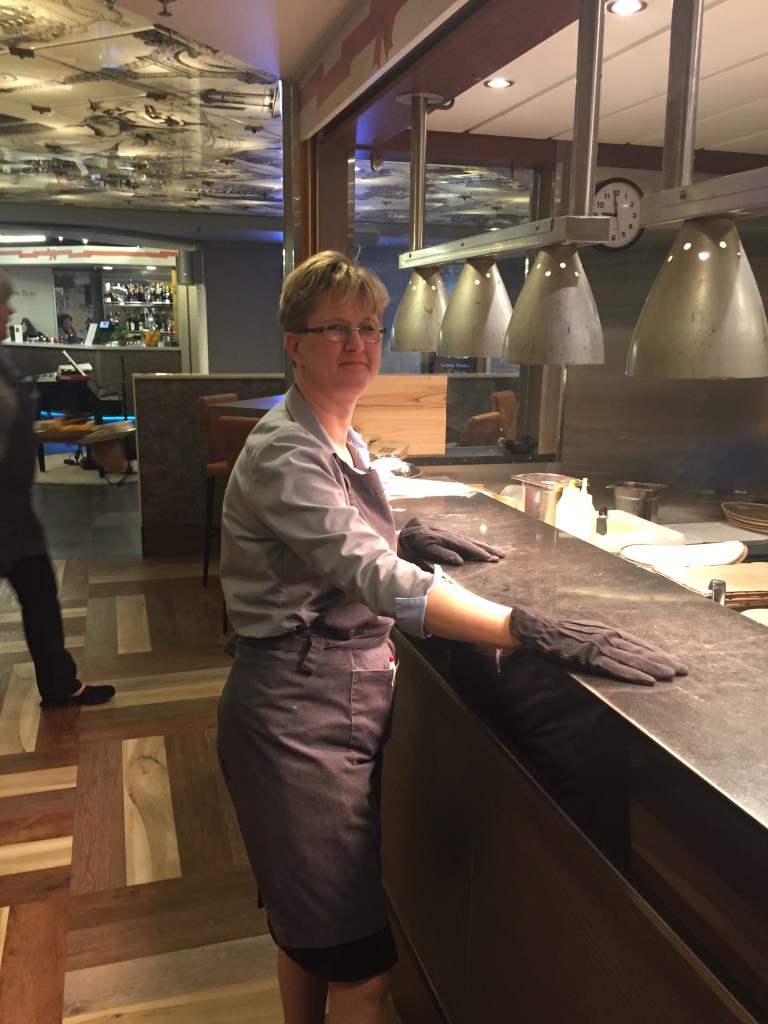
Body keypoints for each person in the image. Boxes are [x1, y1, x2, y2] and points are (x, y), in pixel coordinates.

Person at [217, 251, 686, 1024]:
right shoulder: (284, 451)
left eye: (369, 327)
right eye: (335, 329)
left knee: (311, 927)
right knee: (361, 967)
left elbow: (341, 546)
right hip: (296, 720)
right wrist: (519, 627)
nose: (357, 343)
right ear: (294, 342)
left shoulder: (337, 435)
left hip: (331, 704)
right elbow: (374, 579)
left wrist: (402, 532)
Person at [0, 270, 115, 709]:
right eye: (2, 302)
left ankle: (61, 686)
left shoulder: (3, 361)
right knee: (40, 596)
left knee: (41, 598)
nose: (10, 310)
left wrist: (51, 430)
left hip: (15, 512)